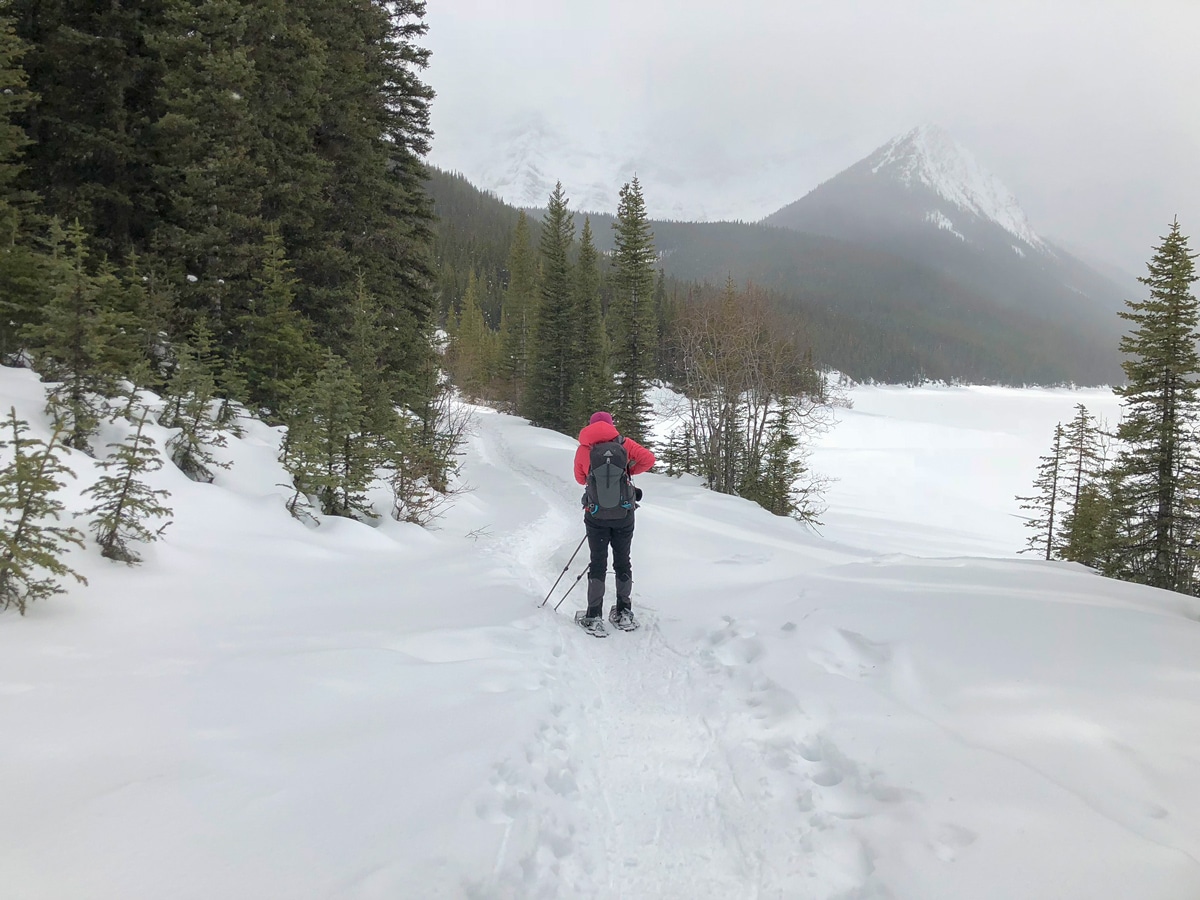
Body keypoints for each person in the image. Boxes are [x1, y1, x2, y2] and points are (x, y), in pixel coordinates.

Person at [573, 411, 656, 632]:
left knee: (598, 561)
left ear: (590, 426)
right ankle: (624, 613)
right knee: (622, 561)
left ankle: (593, 616)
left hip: (596, 514)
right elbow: (649, 459)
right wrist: (627, 471)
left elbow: (580, 478)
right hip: (624, 514)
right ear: (611, 425)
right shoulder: (624, 443)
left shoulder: (584, 449)